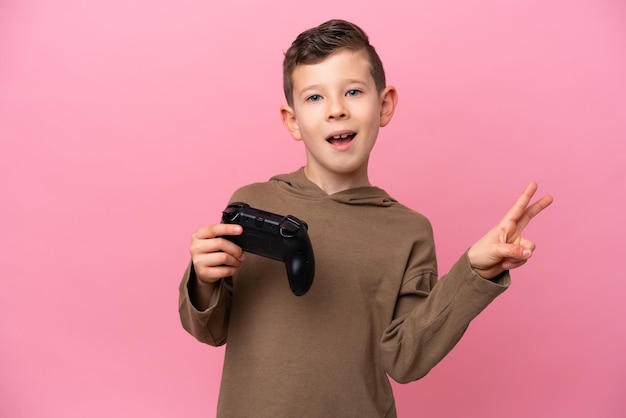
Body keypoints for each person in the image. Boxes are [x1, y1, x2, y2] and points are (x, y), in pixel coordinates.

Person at [178, 19, 553, 418]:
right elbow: (210, 328)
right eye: (315, 98)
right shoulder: (252, 203)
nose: (337, 110)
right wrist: (203, 278)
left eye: (353, 92)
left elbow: (406, 358)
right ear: (292, 121)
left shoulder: (409, 232)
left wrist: (473, 272)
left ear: (384, 104)